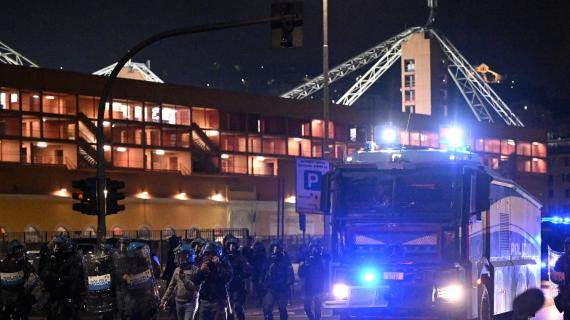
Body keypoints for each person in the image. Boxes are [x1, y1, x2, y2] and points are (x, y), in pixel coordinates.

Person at [40, 237, 83, 320]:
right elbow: (45, 269)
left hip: (68, 291)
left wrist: (58, 277)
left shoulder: (73, 259)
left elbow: (73, 276)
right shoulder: (56, 257)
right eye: (56, 245)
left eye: (58, 245)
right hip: (57, 291)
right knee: (52, 311)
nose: (56, 248)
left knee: (70, 311)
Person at [119, 241, 160, 320]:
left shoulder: (148, 261)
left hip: (146, 298)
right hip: (134, 300)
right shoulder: (127, 262)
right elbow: (121, 277)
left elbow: (156, 272)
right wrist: (124, 276)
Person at [194, 241, 233, 320]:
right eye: (208, 254)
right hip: (205, 300)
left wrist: (218, 265)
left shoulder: (224, 263)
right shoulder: (203, 264)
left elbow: (227, 277)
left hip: (219, 301)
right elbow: (195, 281)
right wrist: (200, 271)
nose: (210, 257)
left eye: (212, 254)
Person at [159, 243, 199, 320]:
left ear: (188, 256)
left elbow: (195, 288)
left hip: (190, 303)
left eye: (182, 255)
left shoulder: (195, 270)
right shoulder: (177, 270)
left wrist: (184, 279)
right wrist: (163, 301)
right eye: (180, 255)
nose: (180, 258)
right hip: (179, 302)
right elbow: (171, 287)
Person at [0, 239, 35, 320]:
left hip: (14, 293)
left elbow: (30, 273)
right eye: (17, 249)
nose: (19, 251)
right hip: (12, 294)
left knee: (15, 312)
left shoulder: (19, 261)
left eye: (20, 249)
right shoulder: (8, 262)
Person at [262, 240, 294, 320]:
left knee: (282, 308)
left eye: (276, 248)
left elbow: (290, 272)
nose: (275, 250)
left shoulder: (285, 259)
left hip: (282, 288)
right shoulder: (268, 260)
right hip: (271, 288)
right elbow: (263, 272)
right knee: (267, 308)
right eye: (273, 248)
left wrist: (288, 282)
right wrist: (262, 282)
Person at [223, 235, 252, 320]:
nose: (231, 248)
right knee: (228, 310)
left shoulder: (240, 258)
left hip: (238, 287)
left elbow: (248, 270)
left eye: (233, 245)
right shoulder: (224, 258)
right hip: (227, 287)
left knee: (238, 307)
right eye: (229, 245)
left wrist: (240, 276)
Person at [298, 240, 326, 320]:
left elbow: (325, 273)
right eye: (312, 248)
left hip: (318, 287)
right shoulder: (306, 259)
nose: (313, 250)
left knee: (317, 307)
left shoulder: (321, 259)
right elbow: (300, 273)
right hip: (308, 287)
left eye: (315, 248)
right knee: (307, 307)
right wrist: (304, 265)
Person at [553, 238, 570, 319]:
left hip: (565, 292)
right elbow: (555, 275)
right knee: (567, 313)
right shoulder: (561, 260)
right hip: (566, 292)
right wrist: (558, 278)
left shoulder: (561, 259)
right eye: (567, 245)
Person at [251, 241, 268, 307]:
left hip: (259, 272)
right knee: (259, 288)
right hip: (258, 272)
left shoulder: (257, 255)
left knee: (260, 288)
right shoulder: (259, 254)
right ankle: (261, 300)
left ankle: (261, 301)